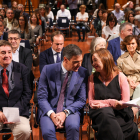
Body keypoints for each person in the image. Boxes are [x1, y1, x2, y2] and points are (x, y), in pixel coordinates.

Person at [37, 44, 87, 140]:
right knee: (47, 132)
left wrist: (65, 113)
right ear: (65, 59)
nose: (79, 65)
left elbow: (81, 99)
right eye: (76, 62)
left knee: (73, 127)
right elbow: (42, 98)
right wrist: (52, 114)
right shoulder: (47, 70)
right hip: (49, 109)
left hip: (71, 110)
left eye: (81, 61)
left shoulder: (82, 72)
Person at [88, 48, 138, 140]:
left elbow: (125, 102)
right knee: (106, 112)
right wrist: (110, 102)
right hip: (100, 113)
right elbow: (91, 102)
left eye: (95, 60)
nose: (93, 64)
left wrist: (104, 103)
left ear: (105, 58)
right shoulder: (92, 78)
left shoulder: (120, 76)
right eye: (92, 61)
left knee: (127, 127)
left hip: (119, 112)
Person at [0, 40, 32, 140]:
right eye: (3, 52)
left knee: (25, 131)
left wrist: (14, 112)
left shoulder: (22, 69)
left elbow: (27, 93)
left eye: (9, 52)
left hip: (18, 111)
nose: (7, 55)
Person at [117, 35, 140, 105]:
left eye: (133, 43)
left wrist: (138, 82)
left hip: (139, 80)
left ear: (137, 44)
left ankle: (134, 112)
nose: (130, 46)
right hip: (127, 81)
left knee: (138, 88)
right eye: (128, 44)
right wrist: (129, 80)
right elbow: (119, 73)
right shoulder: (121, 58)